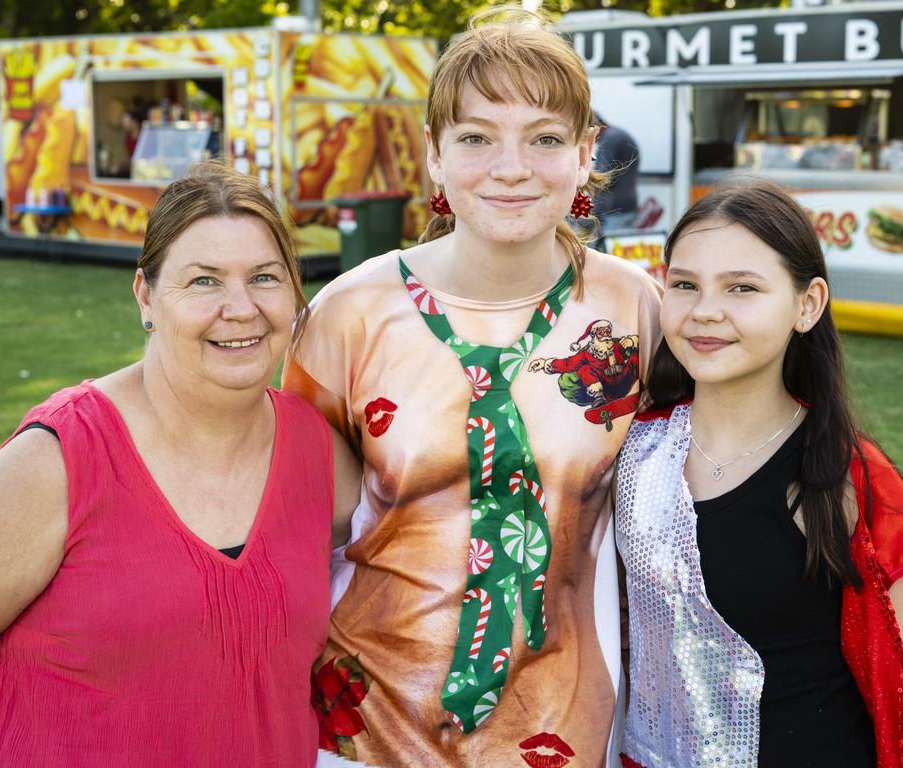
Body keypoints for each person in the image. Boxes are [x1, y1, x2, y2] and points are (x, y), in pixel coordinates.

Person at [284, 9, 662, 767]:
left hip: (562, 728)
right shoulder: (349, 314)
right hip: (365, 727)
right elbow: (289, 528)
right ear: (434, 156)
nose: (511, 167)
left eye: (546, 138)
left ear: (587, 154)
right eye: (476, 136)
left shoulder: (636, 311)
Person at [0, 160, 360, 766]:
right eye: (204, 281)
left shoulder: (317, 453)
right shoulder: (59, 461)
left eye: (266, 277)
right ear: (146, 295)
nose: (241, 308)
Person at [614, 179, 903, 768]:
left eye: (742, 288)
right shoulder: (632, 452)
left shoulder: (846, 481)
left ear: (808, 304)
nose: (705, 311)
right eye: (684, 285)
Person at [591, 112, 640, 237]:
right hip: (627, 206)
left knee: (608, 250)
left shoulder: (610, 139)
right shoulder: (619, 135)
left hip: (614, 210)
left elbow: (601, 176)